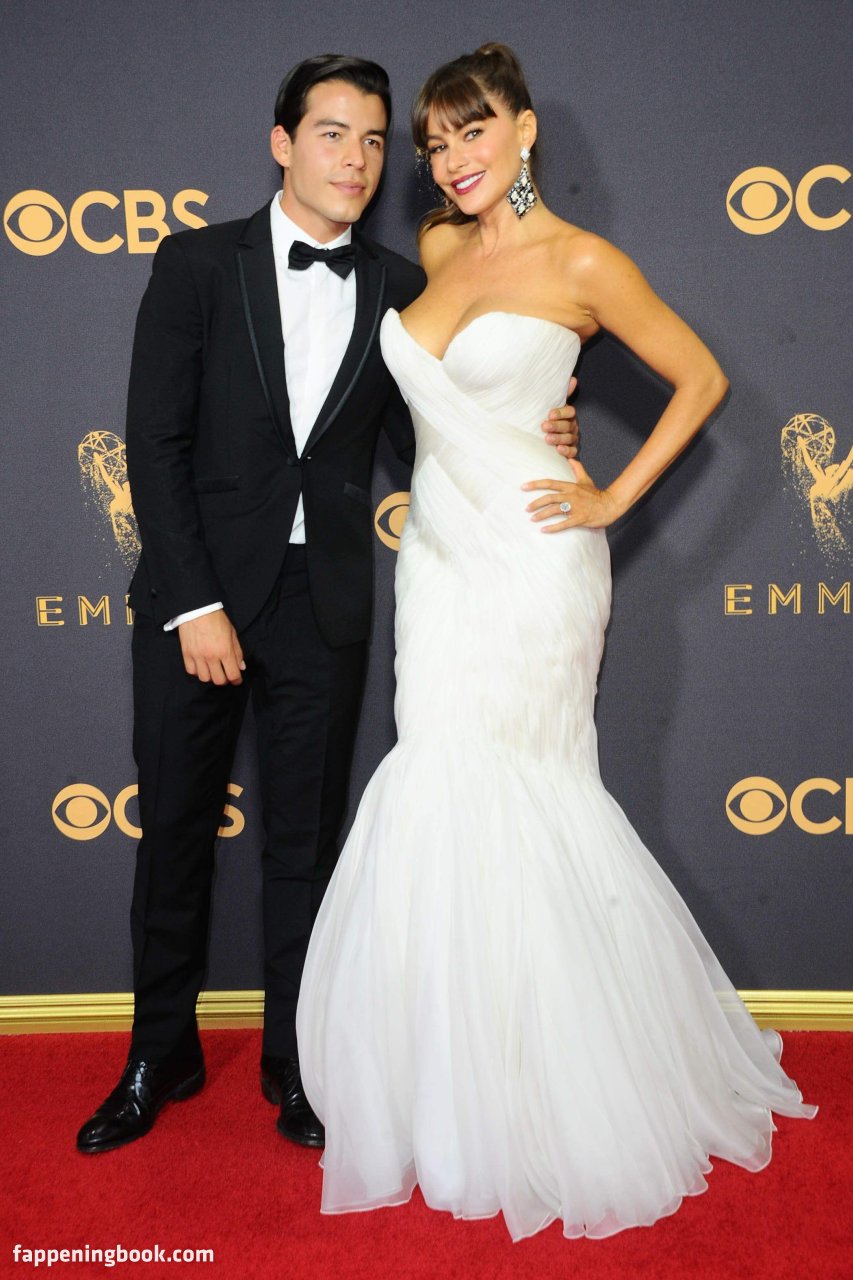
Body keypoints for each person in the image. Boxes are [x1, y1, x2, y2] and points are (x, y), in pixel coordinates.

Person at [296, 43, 815, 1239]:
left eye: (472, 131)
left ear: (525, 131)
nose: (451, 159)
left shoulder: (584, 262)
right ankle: (456, 1087)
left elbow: (701, 378)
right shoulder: (437, 248)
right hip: (438, 559)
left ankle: (557, 1092)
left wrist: (610, 494)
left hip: (535, 561)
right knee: (437, 782)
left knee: (520, 789)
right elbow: (435, 399)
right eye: (434, 142)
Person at [75, 53, 579, 1157]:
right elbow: (152, 444)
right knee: (173, 834)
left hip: (326, 601)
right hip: (196, 599)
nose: (355, 159)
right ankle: (159, 1051)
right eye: (331, 134)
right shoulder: (197, 263)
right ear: (282, 143)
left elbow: (434, 428)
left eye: (373, 140)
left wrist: (536, 421)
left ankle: (296, 1061)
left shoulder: (401, 285)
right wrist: (196, 604)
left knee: (304, 846)